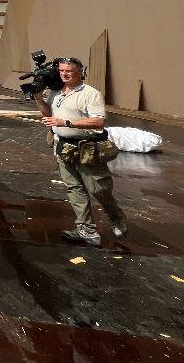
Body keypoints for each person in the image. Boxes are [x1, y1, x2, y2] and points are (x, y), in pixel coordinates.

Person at [34, 57, 126, 247]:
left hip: (86, 148)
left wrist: (66, 123)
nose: (64, 74)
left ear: (80, 72)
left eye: (69, 71)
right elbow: (47, 113)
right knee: (74, 188)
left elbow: (99, 122)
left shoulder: (90, 94)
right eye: (61, 71)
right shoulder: (56, 93)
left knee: (98, 188)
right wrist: (37, 97)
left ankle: (117, 217)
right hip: (62, 147)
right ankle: (87, 229)